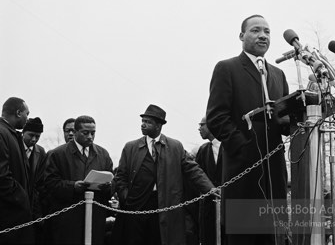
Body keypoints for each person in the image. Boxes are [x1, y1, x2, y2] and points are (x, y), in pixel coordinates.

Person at [206, 14, 290, 244]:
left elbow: (283, 121)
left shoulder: (278, 74)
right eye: (255, 30)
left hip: (274, 173)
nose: (263, 35)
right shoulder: (227, 68)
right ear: (241, 36)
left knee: (273, 237)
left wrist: (300, 115)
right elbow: (216, 117)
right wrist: (243, 148)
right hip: (242, 172)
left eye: (267, 31)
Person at [112, 104, 217, 245]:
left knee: (160, 239)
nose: (143, 125)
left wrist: (210, 189)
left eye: (148, 122)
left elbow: (193, 170)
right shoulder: (130, 147)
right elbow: (121, 177)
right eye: (143, 121)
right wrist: (126, 197)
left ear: (159, 126)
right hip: (136, 206)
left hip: (164, 206)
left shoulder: (175, 147)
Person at [45, 115, 113, 245]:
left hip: (95, 217)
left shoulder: (103, 155)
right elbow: (49, 184)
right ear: (75, 132)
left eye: (93, 133)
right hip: (67, 219)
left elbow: (112, 182)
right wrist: (73, 186)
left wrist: (108, 187)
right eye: (85, 133)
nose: (90, 137)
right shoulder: (57, 154)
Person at [0, 97, 34, 244]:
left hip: (14, 213)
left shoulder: (10, 133)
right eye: (27, 113)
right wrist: (22, 197)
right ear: (18, 112)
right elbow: (2, 176)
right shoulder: (2, 133)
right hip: (8, 214)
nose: (28, 118)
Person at [195, 116, 223, 245]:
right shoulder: (203, 150)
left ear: (212, 125)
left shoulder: (229, 147)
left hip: (229, 205)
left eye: (202, 125)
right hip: (208, 207)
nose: (199, 128)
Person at [22, 117, 47, 244]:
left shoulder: (41, 152)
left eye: (37, 136)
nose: (34, 139)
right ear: (23, 132)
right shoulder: (14, 147)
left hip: (33, 205)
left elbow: (40, 183)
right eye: (31, 135)